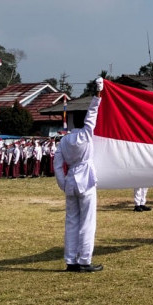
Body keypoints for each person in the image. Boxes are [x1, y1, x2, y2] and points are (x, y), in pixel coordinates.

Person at [53, 77, 104, 273]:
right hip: (86, 181)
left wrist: (63, 184)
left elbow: (58, 165)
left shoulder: (64, 142)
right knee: (87, 222)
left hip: (71, 181)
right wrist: (98, 92)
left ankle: (70, 260)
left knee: (72, 222)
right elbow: (93, 112)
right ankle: (84, 260)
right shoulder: (85, 135)